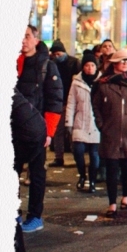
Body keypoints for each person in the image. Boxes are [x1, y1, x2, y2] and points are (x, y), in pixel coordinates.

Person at [13, 25, 63, 233]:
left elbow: (55, 100)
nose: (22, 41)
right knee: (10, 173)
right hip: (13, 128)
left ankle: (35, 216)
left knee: (36, 174)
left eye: (26, 36)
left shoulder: (46, 66)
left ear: (36, 40)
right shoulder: (12, 62)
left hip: (37, 130)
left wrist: (49, 132)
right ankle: (13, 213)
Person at [91, 52, 127, 217]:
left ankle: (126, 196)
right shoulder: (103, 84)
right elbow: (96, 107)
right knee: (111, 170)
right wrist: (101, 125)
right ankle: (112, 203)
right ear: (114, 63)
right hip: (110, 133)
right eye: (121, 61)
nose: (125, 63)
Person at [65, 52, 101, 193]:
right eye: (87, 65)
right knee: (78, 151)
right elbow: (71, 103)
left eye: (92, 65)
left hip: (96, 123)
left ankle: (92, 180)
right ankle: (82, 176)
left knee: (94, 155)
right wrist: (69, 122)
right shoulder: (76, 82)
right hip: (80, 122)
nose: (90, 68)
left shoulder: (101, 81)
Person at [48, 40, 80, 168]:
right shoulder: (52, 64)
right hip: (58, 101)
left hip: (71, 100)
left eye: (59, 53)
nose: (57, 56)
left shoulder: (73, 62)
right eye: (54, 54)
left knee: (72, 130)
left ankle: (76, 155)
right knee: (59, 131)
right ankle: (58, 156)